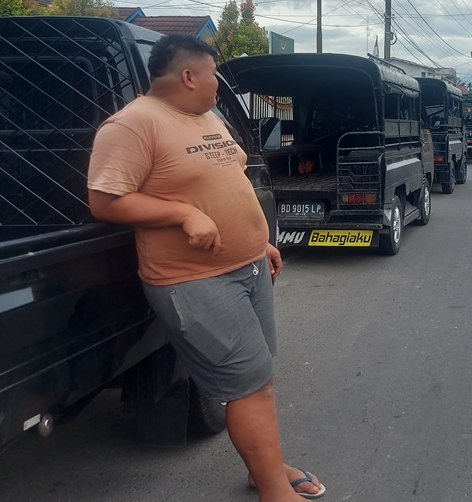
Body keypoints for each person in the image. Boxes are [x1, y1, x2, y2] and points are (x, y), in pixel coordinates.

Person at [87, 35, 324, 501]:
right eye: (214, 74)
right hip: (194, 279)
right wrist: (181, 214)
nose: (219, 84)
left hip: (249, 266)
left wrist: (261, 243)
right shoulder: (133, 124)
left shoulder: (206, 117)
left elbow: (229, 177)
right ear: (189, 76)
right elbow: (105, 199)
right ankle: (274, 488)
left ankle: (265, 468)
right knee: (249, 383)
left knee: (258, 376)